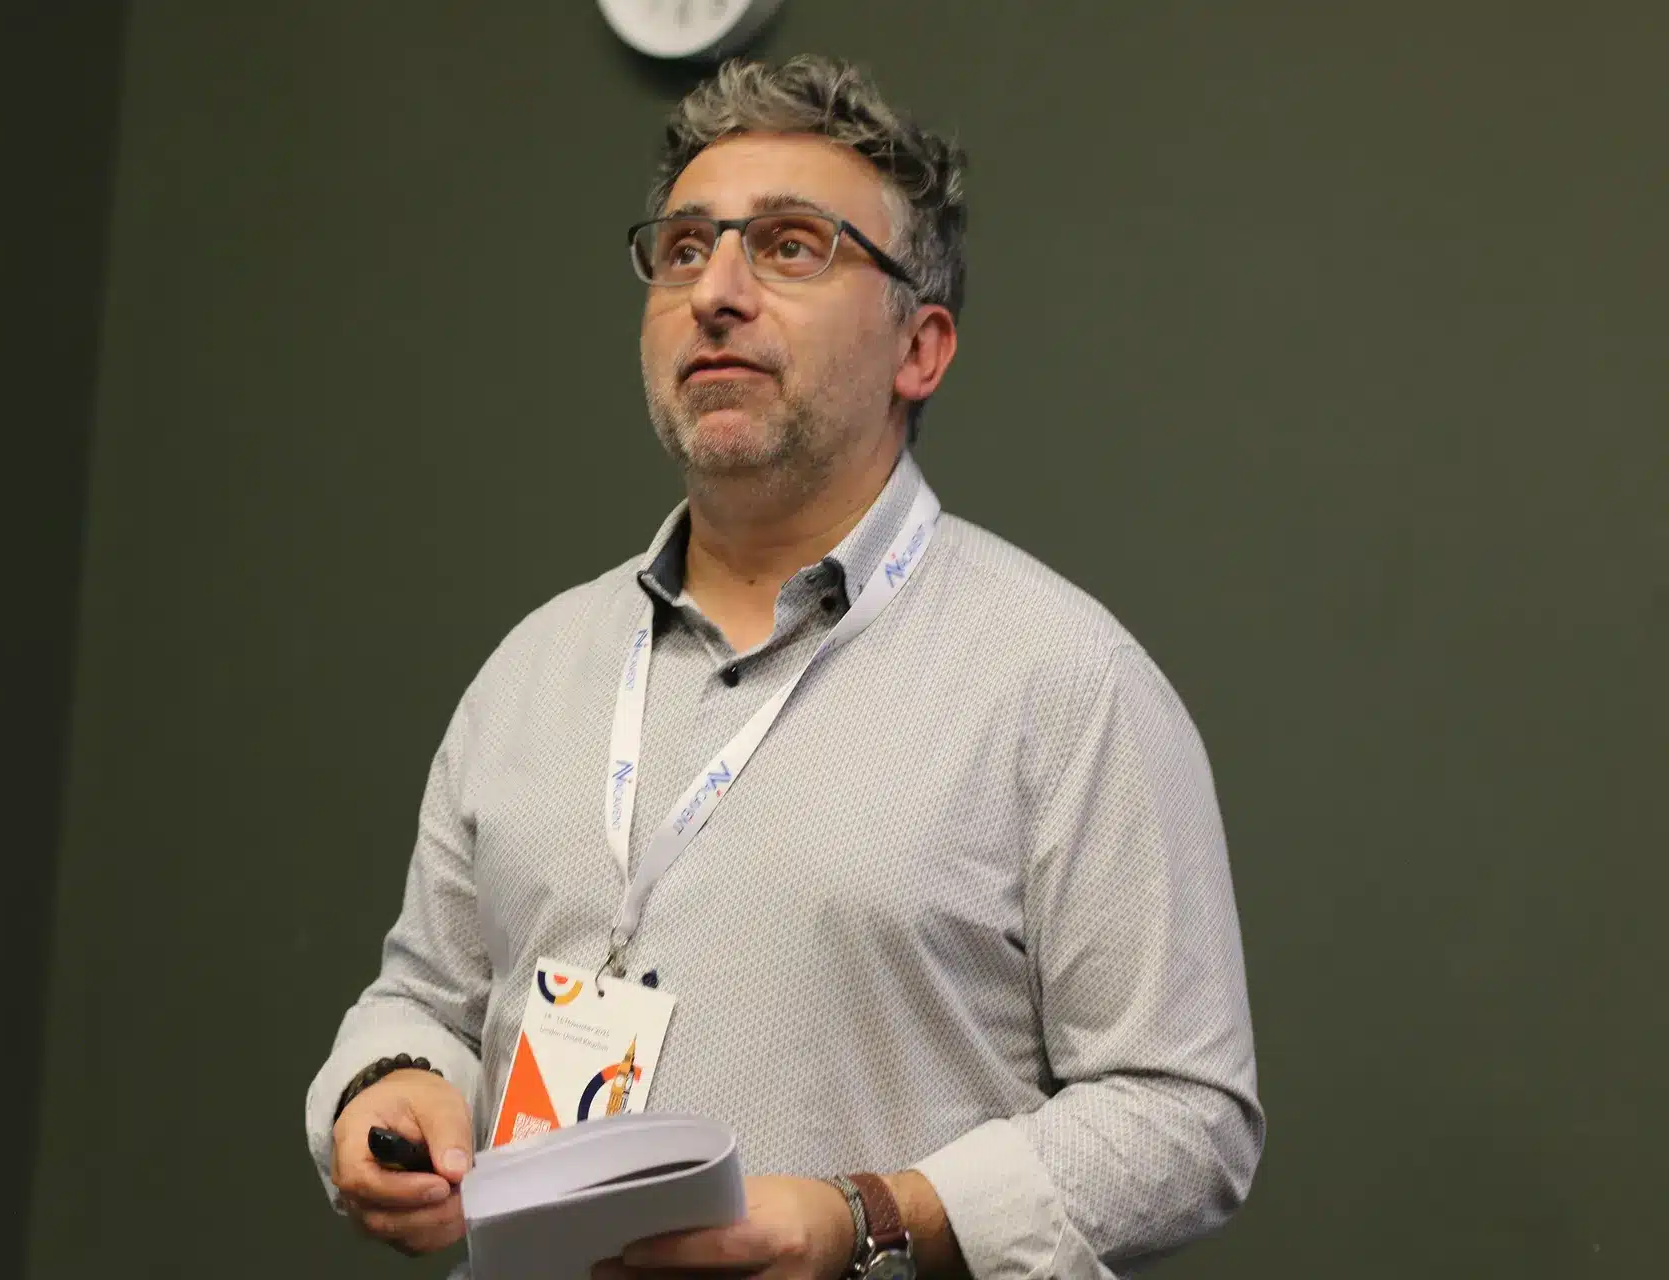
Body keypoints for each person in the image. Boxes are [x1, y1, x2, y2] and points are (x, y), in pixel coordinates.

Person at [305, 54, 1263, 1280]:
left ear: (921, 346)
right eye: (684, 249)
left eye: (792, 246)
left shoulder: (1066, 683)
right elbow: (426, 998)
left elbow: (1186, 1117)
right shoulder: (532, 669)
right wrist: (389, 1085)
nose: (716, 292)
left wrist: (869, 1216)